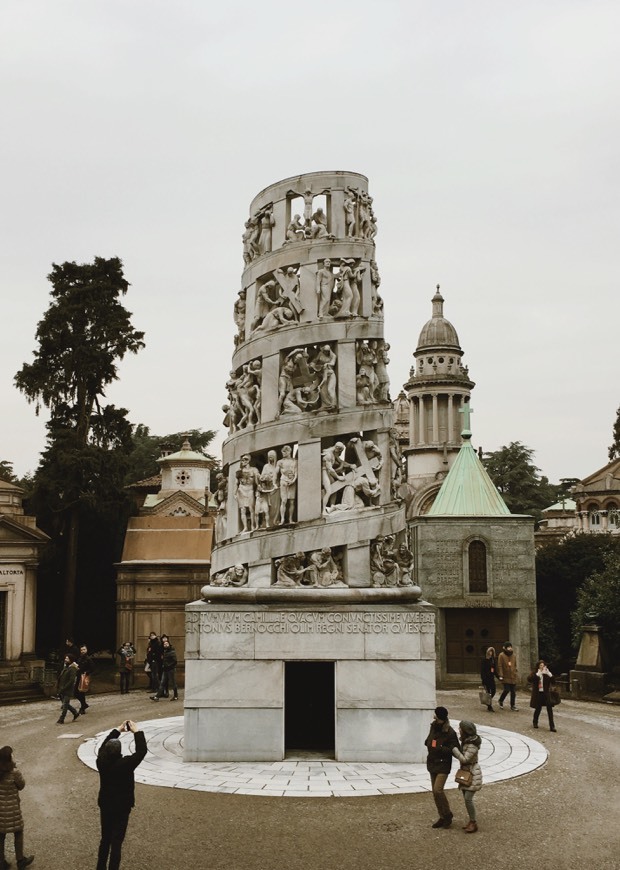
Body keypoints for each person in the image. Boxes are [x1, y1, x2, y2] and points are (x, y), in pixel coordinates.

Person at [96, 720, 147, 870]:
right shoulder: (126, 764)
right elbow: (141, 751)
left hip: (106, 804)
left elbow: (102, 746)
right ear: (119, 751)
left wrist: (116, 731)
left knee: (105, 838)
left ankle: (100, 867)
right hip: (122, 806)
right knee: (117, 841)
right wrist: (136, 732)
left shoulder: (101, 762)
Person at [424, 706, 459, 829]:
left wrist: (439, 747)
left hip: (443, 764)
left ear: (440, 717)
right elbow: (430, 739)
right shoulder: (433, 726)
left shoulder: (450, 732)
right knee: (435, 792)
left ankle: (447, 814)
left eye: (436, 715)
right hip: (432, 762)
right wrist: (428, 742)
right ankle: (442, 816)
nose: (434, 716)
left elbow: (455, 749)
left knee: (438, 790)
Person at [0, 746, 34, 869]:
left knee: (1, 836)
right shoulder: (14, 773)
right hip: (13, 811)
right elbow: (22, 785)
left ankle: (1, 862)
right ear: (9, 759)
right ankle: (20, 860)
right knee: (18, 833)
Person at [452, 720, 483, 833]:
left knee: (468, 799)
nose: (459, 730)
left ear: (465, 730)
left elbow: (465, 759)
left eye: (460, 728)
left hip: (472, 773)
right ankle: (471, 821)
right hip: (467, 772)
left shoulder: (471, 744)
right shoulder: (466, 741)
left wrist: (454, 750)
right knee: (466, 798)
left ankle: (473, 822)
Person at [528, 659, 557, 731]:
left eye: (543, 665)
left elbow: (553, 682)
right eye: (540, 665)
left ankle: (552, 726)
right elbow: (529, 679)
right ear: (538, 666)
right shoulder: (536, 673)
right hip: (538, 693)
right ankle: (535, 721)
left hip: (546, 693)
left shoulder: (546, 674)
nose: (542, 667)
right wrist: (538, 674)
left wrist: (549, 674)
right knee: (538, 708)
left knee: (549, 709)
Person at [57, 653, 80, 724]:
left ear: (71, 660)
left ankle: (61, 719)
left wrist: (64, 688)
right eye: (65, 658)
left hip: (67, 689)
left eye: (67, 658)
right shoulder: (66, 667)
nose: (65, 660)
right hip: (62, 688)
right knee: (65, 704)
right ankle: (75, 713)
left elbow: (71, 680)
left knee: (65, 704)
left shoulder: (72, 669)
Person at [497, 641, 519, 710]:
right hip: (505, 675)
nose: (510, 648)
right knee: (506, 690)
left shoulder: (514, 655)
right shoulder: (501, 655)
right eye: (508, 647)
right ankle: (501, 700)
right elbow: (500, 665)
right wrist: (501, 674)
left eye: (510, 647)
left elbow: (515, 665)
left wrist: (515, 672)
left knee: (513, 691)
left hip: (512, 676)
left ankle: (512, 705)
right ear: (505, 648)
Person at [75, 643, 94, 715]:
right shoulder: (79, 658)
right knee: (76, 693)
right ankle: (84, 705)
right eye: (81, 650)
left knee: (81, 693)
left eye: (84, 649)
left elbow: (93, 668)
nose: (83, 651)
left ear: (86, 650)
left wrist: (87, 672)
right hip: (78, 676)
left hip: (83, 677)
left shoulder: (88, 659)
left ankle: (82, 708)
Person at [480, 646, 497, 711]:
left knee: (493, 691)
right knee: (488, 692)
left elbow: (494, 670)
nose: (491, 653)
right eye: (490, 651)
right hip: (486, 679)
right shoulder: (484, 660)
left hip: (491, 679)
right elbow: (482, 670)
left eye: (492, 651)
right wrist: (483, 679)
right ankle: (489, 706)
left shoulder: (492, 660)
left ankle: (487, 701)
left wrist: (499, 677)